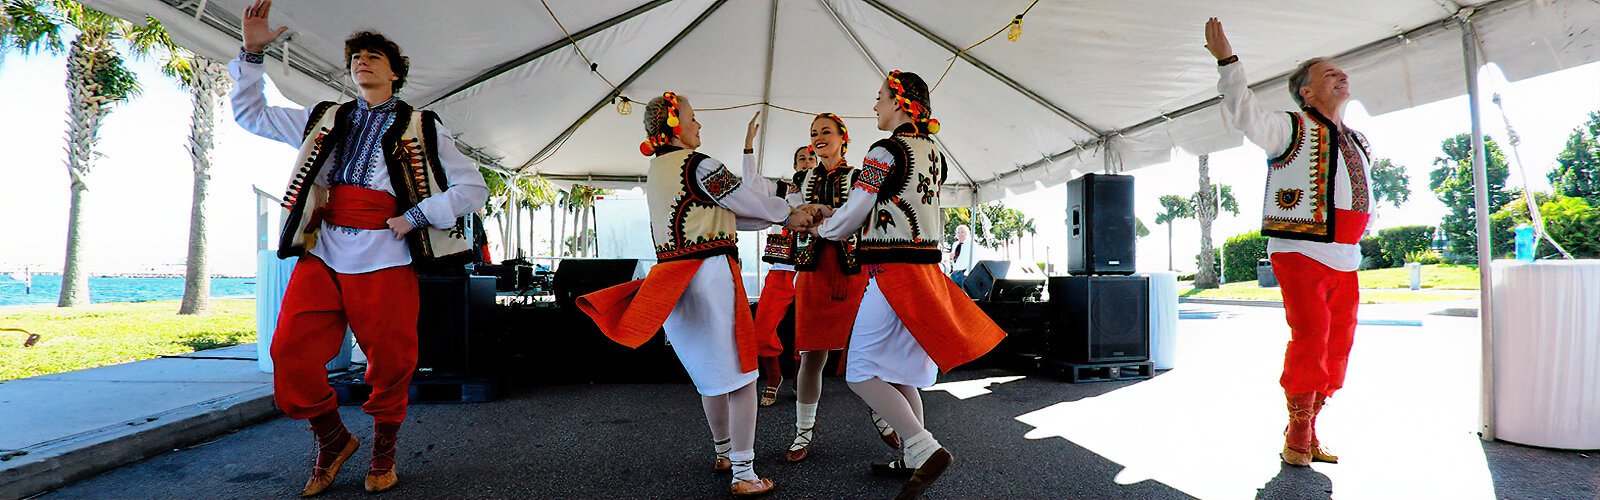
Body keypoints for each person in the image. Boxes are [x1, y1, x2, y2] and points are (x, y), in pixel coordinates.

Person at [230, 0, 488, 495]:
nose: (361, 62)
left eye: (373, 56)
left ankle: (383, 453)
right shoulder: (324, 118)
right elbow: (251, 114)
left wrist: (414, 216)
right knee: (289, 352)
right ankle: (332, 439)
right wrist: (252, 54)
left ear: (396, 73)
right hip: (323, 250)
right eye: (356, 58)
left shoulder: (423, 124)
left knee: (391, 363)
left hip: (386, 255)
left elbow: (472, 189)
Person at [576, 97, 828, 496]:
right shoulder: (699, 165)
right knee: (744, 375)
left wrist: (784, 216)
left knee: (711, 378)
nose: (699, 126)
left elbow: (730, 214)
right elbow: (744, 200)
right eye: (693, 119)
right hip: (710, 276)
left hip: (674, 281)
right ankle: (744, 473)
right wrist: (789, 213)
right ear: (675, 125)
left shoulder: (657, 169)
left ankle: (724, 452)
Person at [810, 71, 1006, 500]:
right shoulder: (935, 153)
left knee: (860, 372)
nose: (875, 105)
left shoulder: (885, 150)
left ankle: (924, 447)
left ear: (900, 102)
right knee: (902, 374)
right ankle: (912, 459)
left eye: (880, 98)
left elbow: (857, 209)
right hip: (925, 272)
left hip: (893, 272)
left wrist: (824, 229)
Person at [1206, 17, 1373, 467]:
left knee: (1338, 344)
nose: (1341, 76)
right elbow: (1245, 114)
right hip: (1300, 249)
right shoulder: (1289, 127)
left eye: (1342, 72)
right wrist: (1228, 61)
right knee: (1312, 333)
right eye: (1328, 74)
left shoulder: (1356, 140)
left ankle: (1309, 426)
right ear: (1306, 91)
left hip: (1346, 256)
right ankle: (1298, 432)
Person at [786, 113, 902, 463]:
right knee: (812, 354)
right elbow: (794, 219)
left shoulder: (857, 177)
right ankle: (803, 432)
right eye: (813, 134)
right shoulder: (800, 180)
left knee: (866, 352)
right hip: (813, 272)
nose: (818, 138)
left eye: (825, 132)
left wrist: (823, 213)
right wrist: (802, 211)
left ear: (842, 138)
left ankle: (882, 415)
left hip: (851, 273)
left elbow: (863, 217)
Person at [752, 146, 817, 407]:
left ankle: (803, 378)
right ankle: (774, 376)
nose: (807, 161)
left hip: (811, 271)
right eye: (801, 158)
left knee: (809, 333)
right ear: (795, 164)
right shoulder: (782, 192)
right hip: (781, 270)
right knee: (761, 330)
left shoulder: (829, 192)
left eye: (811, 158)